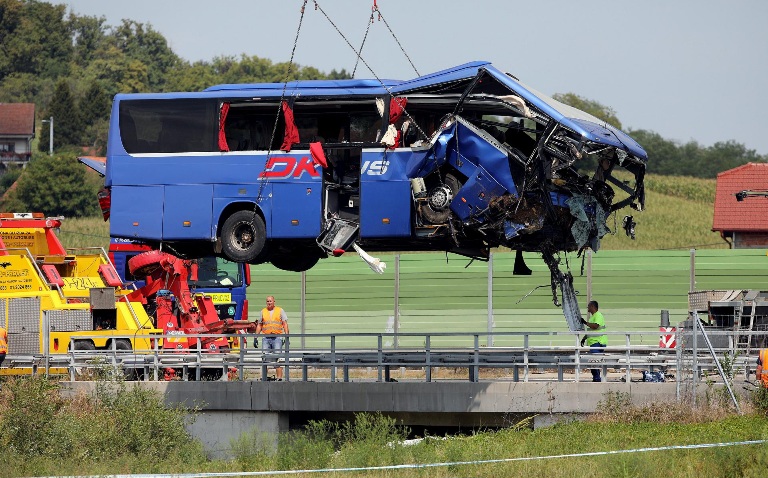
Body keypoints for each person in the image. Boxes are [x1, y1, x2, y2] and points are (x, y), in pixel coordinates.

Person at [256, 295, 289, 380]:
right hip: (266, 338)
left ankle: (279, 378)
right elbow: (260, 325)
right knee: (265, 358)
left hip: (277, 338)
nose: (269, 303)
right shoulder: (263, 311)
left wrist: (286, 336)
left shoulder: (280, 310)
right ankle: (263, 377)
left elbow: (284, 324)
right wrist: (256, 337)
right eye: (267, 301)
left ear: (274, 302)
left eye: (270, 301)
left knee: (277, 358)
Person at [580, 300, 607, 382]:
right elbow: (591, 330)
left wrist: (585, 322)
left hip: (598, 342)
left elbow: (595, 326)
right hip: (594, 342)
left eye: (589, 306)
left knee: (594, 360)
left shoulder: (598, 315)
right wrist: (584, 338)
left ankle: (597, 378)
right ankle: (596, 377)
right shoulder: (592, 317)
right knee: (594, 360)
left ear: (592, 307)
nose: (587, 308)